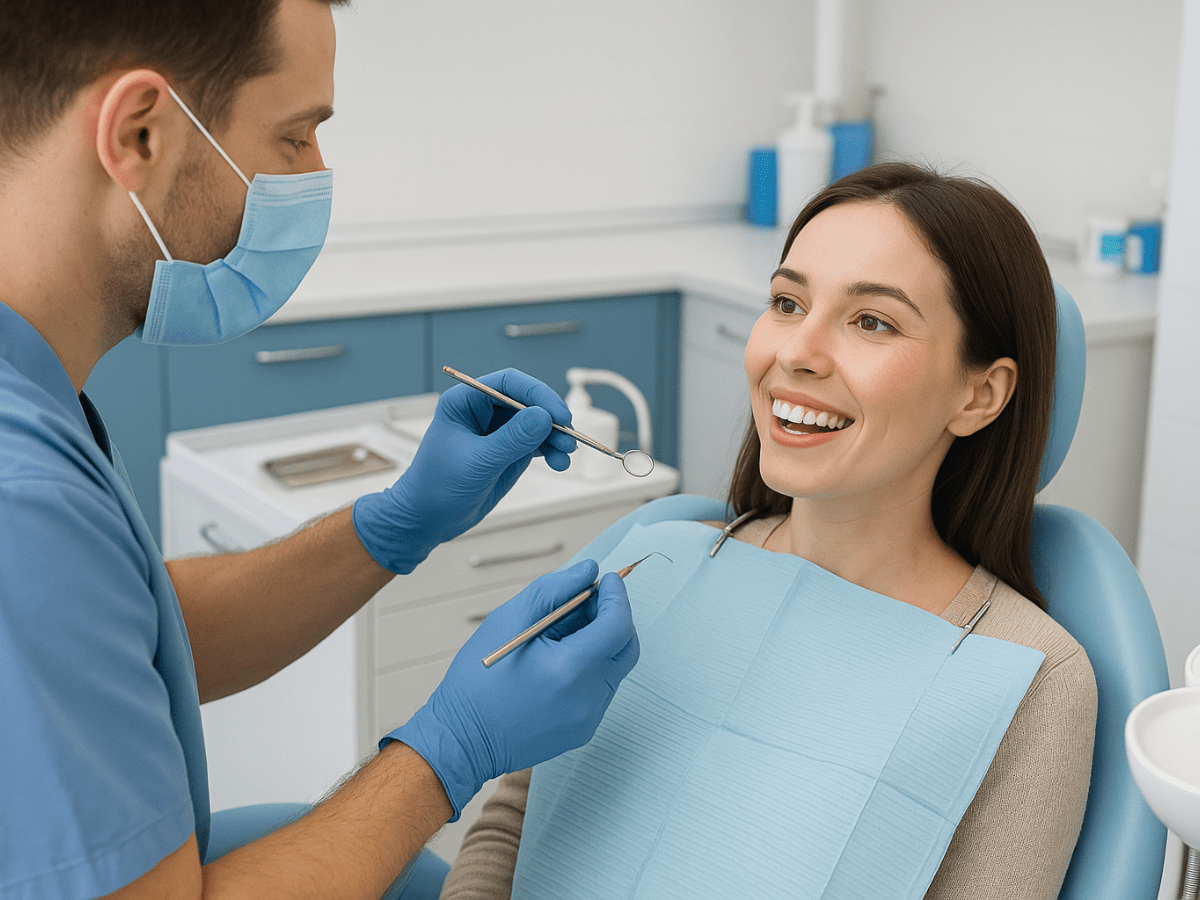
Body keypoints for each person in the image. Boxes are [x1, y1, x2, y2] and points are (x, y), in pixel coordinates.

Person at [0, 2, 640, 898]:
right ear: (139, 133)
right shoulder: (20, 500)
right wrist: (449, 751)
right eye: (296, 137)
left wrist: (397, 523)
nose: (315, 173)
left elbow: (123, 633)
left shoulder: (28, 394)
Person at [439, 163, 1098, 900]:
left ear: (980, 394)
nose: (796, 353)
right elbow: (513, 827)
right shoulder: (653, 562)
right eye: (787, 302)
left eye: (871, 321)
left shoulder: (1032, 676)